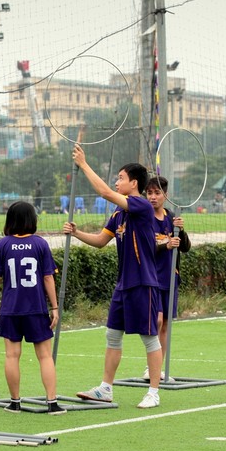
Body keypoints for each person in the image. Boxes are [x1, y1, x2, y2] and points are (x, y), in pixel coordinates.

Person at [63, 144, 163, 409]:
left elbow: (104, 192)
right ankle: (105, 388)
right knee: (112, 334)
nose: (116, 182)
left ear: (134, 183)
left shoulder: (140, 206)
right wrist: (76, 233)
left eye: (120, 178)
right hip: (123, 284)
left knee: (149, 337)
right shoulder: (118, 214)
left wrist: (83, 164)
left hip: (144, 282)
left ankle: (153, 391)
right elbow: (99, 241)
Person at [0, 201, 66, 415]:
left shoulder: (2, 245)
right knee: (45, 356)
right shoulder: (40, 244)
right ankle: (52, 403)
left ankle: (15, 403)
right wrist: (55, 307)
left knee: (12, 355)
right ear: (32, 220)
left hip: (10, 310)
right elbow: (48, 278)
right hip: (36, 308)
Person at [142, 176, 191, 383]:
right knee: (157, 320)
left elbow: (185, 247)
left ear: (166, 195)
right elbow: (144, 247)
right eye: (150, 193)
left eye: (157, 193)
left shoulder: (171, 218)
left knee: (165, 325)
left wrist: (182, 230)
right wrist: (165, 245)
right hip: (152, 277)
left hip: (170, 278)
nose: (153, 197)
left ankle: (158, 369)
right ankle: (149, 368)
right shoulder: (143, 219)